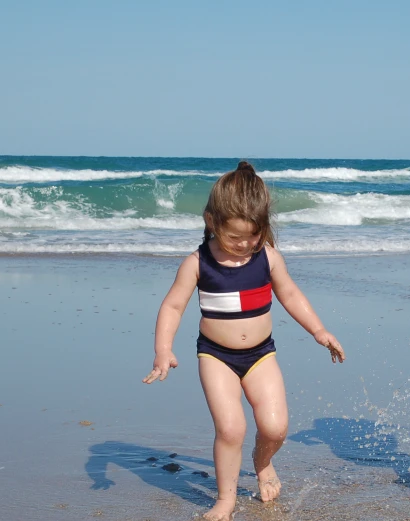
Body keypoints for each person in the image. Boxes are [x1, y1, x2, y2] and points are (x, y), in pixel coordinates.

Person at [143, 161, 346, 521]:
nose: (244, 244)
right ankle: (225, 498)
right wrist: (163, 349)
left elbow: (291, 295)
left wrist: (318, 330)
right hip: (216, 356)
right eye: (234, 237)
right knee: (231, 428)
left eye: (252, 235)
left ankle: (262, 461)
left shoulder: (267, 257)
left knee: (275, 427)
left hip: (260, 355)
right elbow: (173, 306)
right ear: (212, 222)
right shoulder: (197, 263)